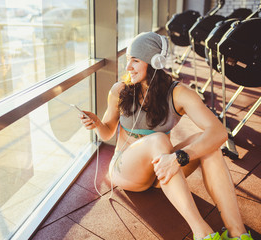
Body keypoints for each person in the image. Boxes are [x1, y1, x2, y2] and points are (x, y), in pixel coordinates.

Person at [78, 32, 253, 240]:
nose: (128, 67)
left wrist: (180, 157)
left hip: (162, 170)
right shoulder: (120, 90)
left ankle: (238, 233)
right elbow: (107, 131)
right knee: (159, 140)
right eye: (127, 60)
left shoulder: (178, 93)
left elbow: (219, 132)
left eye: (135, 60)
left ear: (155, 62)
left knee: (209, 145)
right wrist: (96, 123)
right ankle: (203, 233)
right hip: (125, 170)